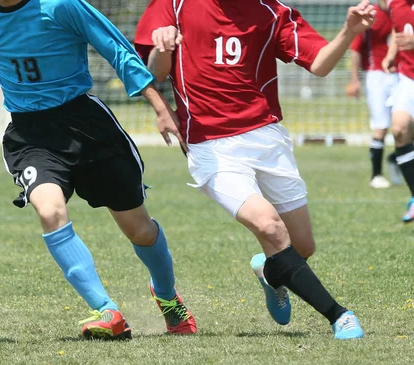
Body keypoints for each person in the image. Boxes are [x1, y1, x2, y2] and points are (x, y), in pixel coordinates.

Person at [135, 0, 376, 339]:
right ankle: (339, 315)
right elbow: (155, 71)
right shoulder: (174, 5)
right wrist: (163, 47)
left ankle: (268, 271)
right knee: (270, 227)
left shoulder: (272, 11)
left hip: (267, 138)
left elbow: (320, 64)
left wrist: (348, 31)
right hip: (211, 145)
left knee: (301, 247)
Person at [0, 0, 197, 340]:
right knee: (50, 210)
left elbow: (114, 46)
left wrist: (160, 106)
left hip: (88, 128)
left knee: (140, 230)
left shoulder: (60, 5)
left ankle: (166, 296)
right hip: (30, 135)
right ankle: (107, 310)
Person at [346, 2, 400, 189]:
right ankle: (376, 175)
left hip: (404, 75)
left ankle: (396, 158)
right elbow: (355, 49)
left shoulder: (404, 11)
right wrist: (355, 80)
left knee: (406, 125)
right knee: (381, 127)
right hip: (377, 76)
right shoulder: (370, 15)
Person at [383, 0, 414, 222]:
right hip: (407, 77)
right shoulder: (392, 3)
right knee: (400, 129)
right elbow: (398, 30)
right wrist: (391, 54)